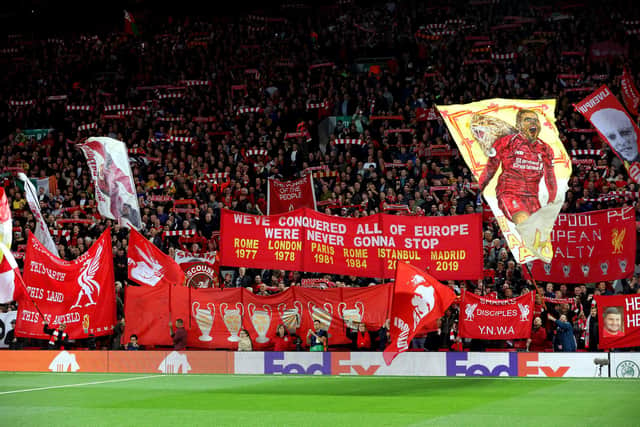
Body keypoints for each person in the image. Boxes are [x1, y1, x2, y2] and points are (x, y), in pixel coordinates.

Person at [477, 109, 558, 258]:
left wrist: (552, 201)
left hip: (533, 198)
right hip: (509, 193)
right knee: (524, 220)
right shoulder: (506, 143)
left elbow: (550, 177)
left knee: (542, 238)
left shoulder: (545, 149)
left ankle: (537, 265)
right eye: (528, 120)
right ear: (519, 124)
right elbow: (490, 168)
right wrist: (479, 187)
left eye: (535, 120)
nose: (533, 123)